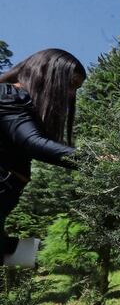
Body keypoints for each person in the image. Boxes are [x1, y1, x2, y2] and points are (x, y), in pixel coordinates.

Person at [0, 49, 84, 266]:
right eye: (71, 85)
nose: (72, 95)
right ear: (50, 75)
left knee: (17, 254)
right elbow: (33, 143)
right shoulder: (11, 96)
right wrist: (95, 160)